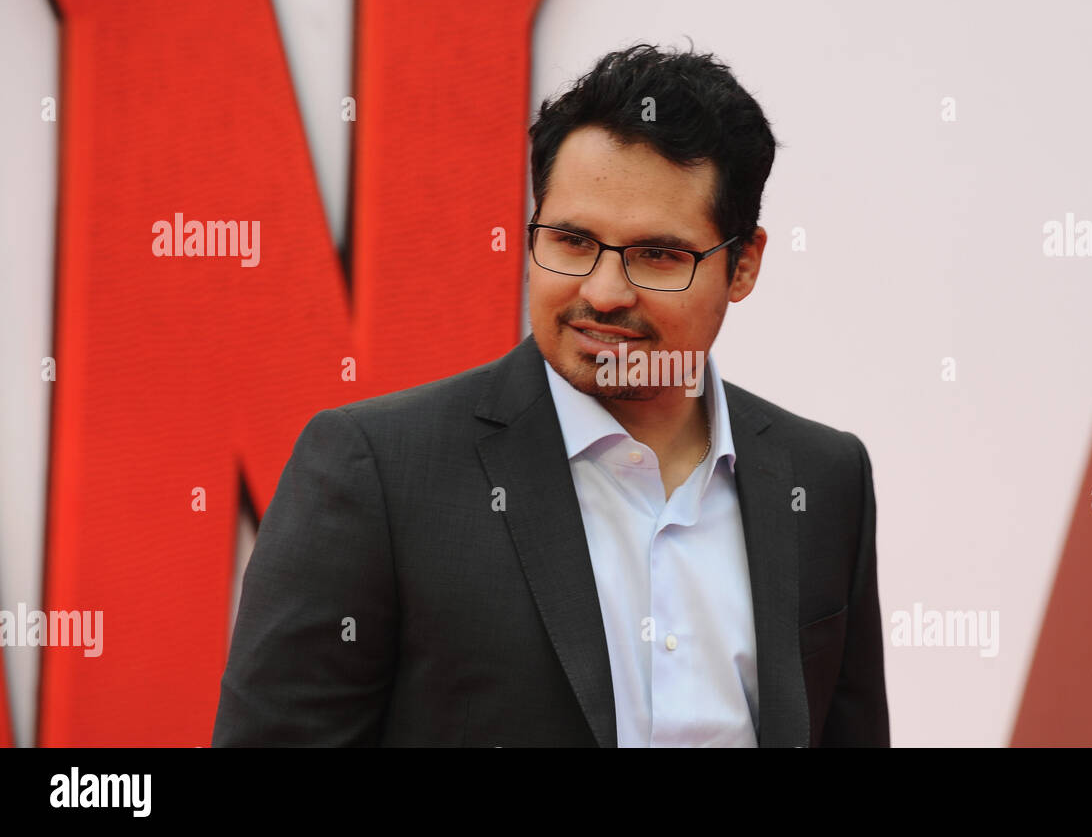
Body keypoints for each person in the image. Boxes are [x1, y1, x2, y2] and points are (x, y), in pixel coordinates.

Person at [212, 43, 888, 747]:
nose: (603, 292)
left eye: (657, 255)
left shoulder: (823, 478)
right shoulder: (377, 472)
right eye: (570, 241)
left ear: (743, 265)